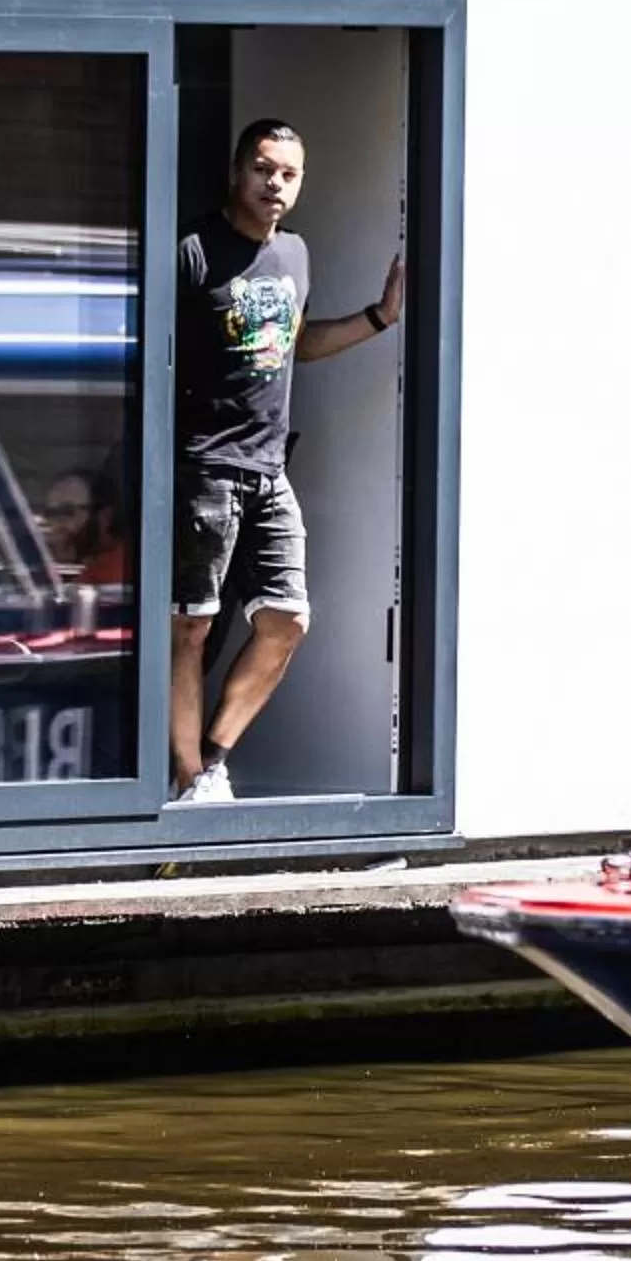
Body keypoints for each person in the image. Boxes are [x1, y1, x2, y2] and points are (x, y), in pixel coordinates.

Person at [170, 118, 405, 803]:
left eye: (289, 174)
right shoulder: (192, 249)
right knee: (192, 627)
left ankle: (210, 761)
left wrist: (380, 318)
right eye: (264, 169)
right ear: (236, 173)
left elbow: (294, 344)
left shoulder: (296, 255)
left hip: (270, 471)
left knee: (286, 620)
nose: (275, 184)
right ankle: (187, 782)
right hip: (203, 468)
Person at [39, 467, 129, 588]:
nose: (56, 525)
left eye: (67, 512)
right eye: (50, 514)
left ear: (104, 516)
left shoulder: (115, 570)